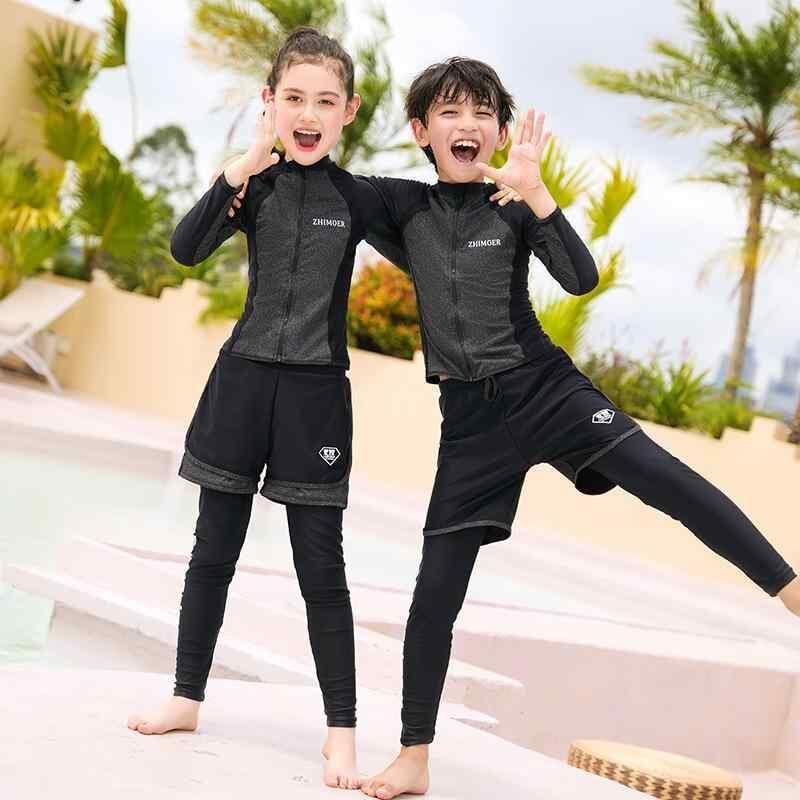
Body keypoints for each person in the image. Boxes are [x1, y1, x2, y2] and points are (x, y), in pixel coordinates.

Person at [358, 57, 800, 800]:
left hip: (547, 390)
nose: (468, 124)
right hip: (470, 428)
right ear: (420, 130)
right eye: (450, 112)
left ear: (501, 131)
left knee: (668, 481)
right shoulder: (400, 205)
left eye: (483, 113)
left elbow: (580, 277)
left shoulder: (513, 203)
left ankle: (790, 589)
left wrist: (537, 194)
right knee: (434, 595)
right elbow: (321, 183)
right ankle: (413, 757)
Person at [125, 27, 414, 791]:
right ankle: (186, 697)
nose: (308, 114)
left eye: (325, 100)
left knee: (321, 568)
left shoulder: (361, 198)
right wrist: (245, 163)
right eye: (294, 98)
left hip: (316, 399)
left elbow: (436, 243)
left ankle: (341, 732)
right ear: (270, 102)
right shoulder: (254, 185)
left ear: (350, 110)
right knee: (211, 553)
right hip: (241, 386)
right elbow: (186, 248)